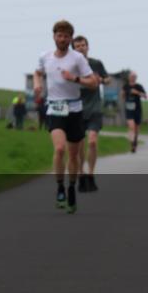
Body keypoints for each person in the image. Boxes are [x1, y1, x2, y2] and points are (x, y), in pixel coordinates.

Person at [34, 20, 99, 214]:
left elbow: (93, 83)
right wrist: (37, 84)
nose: (62, 39)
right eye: (59, 35)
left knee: (73, 155)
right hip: (55, 108)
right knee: (60, 148)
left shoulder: (77, 58)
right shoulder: (45, 57)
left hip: (74, 109)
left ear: (70, 39)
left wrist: (75, 79)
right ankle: (60, 187)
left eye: (66, 36)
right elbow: (37, 72)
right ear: (54, 36)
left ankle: (71, 188)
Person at [72, 36, 109, 192]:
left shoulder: (96, 63)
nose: (81, 48)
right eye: (78, 46)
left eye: (83, 45)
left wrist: (101, 80)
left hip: (94, 108)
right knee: (79, 145)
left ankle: (91, 175)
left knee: (92, 142)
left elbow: (108, 79)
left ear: (88, 47)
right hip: (77, 108)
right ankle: (81, 174)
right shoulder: (72, 65)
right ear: (73, 49)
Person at [122, 71, 148, 153]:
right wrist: (124, 97)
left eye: (134, 76)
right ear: (129, 77)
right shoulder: (125, 86)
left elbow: (146, 96)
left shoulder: (139, 86)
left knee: (136, 129)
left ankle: (135, 143)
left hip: (137, 109)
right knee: (131, 126)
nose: (133, 78)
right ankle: (132, 144)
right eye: (131, 76)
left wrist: (137, 92)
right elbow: (122, 95)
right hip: (129, 109)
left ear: (136, 78)